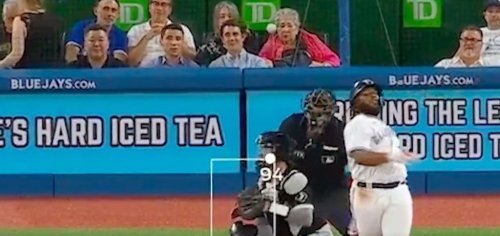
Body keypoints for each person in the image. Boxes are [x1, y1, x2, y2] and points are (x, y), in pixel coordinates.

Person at [343, 79, 419, 236]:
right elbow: (360, 156)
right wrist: (390, 156)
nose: (374, 97)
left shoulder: (382, 126)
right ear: (355, 102)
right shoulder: (357, 124)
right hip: (369, 192)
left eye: (375, 94)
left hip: (398, 189)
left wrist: (399, 155)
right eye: (366, 94)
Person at [278, 89, 353, 236]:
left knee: (353, 229)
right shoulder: (291, 126)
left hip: (332, 190)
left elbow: (351, 161)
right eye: (311, 112)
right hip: (299, 191)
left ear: (330, 113)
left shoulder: (340, 132)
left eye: (320, 114)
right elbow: (277, 157)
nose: (314, 119)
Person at [230, 131, 333, 236]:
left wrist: (269, 206)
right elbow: (267, 225)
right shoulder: (264, 182)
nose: (261, 154)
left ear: (279, 151)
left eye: (266, 150)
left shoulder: (294, 180)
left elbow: (305, 219)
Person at [259, 8, 340, 67]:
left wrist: (322, 65)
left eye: (290, 26)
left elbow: (334, 60)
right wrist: (268, 63)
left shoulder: (310, 40)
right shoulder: (271, 44)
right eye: (282, 26)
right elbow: (260, 63)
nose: (285, 30)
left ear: (297, 28)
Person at [127, 0, 197, 67]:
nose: (159, 8)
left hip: (175, 71)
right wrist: (146, 38)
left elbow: (193, 58)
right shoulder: (136, 30)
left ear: (170, 10)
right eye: (156, 3)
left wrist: (176, 40)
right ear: (149, 7)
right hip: (146, 73)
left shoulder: (183, 29)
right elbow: (131, 62)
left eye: (163, 4)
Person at [0, 0, 64, 69]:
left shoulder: (21, 21)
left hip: (27, 74)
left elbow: (16, 54)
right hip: (54, 73)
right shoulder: (57, 20)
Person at [195, 1, 260, 66]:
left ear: (243, 36)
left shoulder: (256, 61)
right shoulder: (209, 45)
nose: (226, 19)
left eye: (230, 16)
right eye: (222, 17)